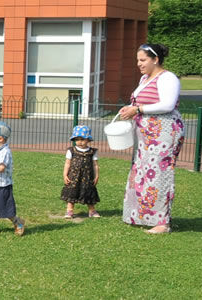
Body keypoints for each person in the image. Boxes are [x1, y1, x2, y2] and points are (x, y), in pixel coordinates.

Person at [116, 43, 184, 234]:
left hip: (164, 132)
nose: (139, 63)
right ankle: (141, 216)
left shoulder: (168, 78)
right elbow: (140, 101)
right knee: (142, 172)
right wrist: (130, 108)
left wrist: (138, 109)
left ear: (156, 60)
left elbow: (167, 104)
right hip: (145, 134)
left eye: (143, 60)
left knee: (159, 173)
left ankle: (162, 223)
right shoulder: (145, 78)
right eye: (138, 60)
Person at [61, 125, 101, 219]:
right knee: (72, 192)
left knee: (88, 192)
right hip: (74, 177)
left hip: (87, 177)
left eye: (82, 139)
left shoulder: (92, 152)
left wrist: (97, 176)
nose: (80, 142)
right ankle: (69, 211)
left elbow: (95, 165)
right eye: (77, 139)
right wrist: (65, 175)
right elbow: (67, 163)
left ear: (88, 140)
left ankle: (92, 211)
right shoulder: (71, 151)